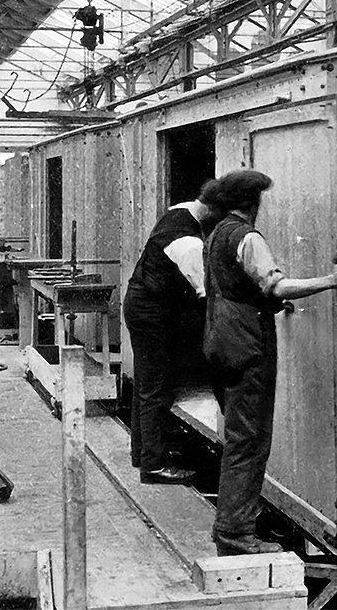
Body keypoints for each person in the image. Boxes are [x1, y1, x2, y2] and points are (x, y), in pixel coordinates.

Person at [203, 169, 337, 556]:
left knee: (238, 436)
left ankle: (229, 525)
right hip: (248, 345)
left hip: (221, 341)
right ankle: (235, 533)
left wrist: (269, 303)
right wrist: (331, 280)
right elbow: (276, 284)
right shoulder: (248, 237)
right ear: (253, 204)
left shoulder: (218, 233)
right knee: (250, 442)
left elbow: (237, 286)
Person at [123, 180, 223, 485]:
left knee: (147, 382)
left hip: (142, 304)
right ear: (211, 209)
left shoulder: (179, 211)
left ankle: (143, 451)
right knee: (157, 386)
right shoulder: (188, 243)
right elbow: (207, 294)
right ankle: (153, 466)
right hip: (151, 312)